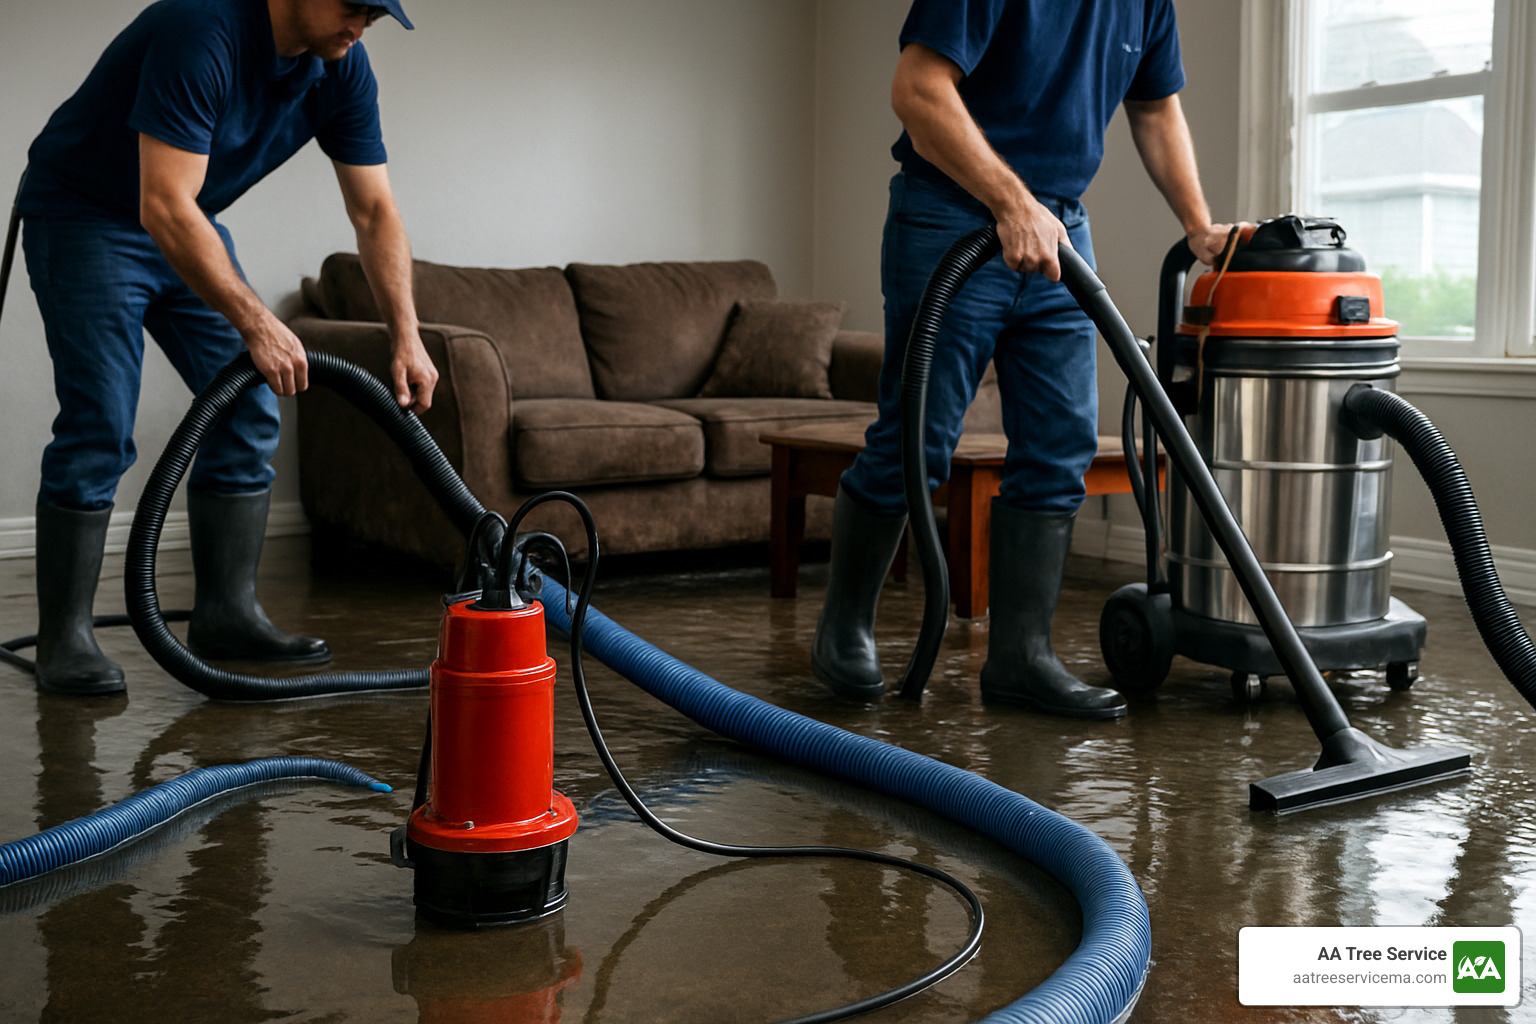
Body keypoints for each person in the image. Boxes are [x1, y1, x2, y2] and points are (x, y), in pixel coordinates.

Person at [812, 0, 1235, 719]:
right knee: (916, 440)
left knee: (1061, 445)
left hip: (1061, 227)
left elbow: (1157, 108)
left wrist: (1199, 227)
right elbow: (917, 89)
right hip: (949, 211)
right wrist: (1010, 199)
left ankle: (1020, 657)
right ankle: (843, 630)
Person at [18, 0, 438, 695]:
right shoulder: (201, 31)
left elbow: (374, 211)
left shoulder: (341, 68)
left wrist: (407, 335)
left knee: (248, 408)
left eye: (375, 14)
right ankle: (65, 639)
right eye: (352, 6)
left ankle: (226, 613)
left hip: (186, 217)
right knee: (100, 422)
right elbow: (162, 204)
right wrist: (255, 320)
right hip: (87, 215)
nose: (361, 26)